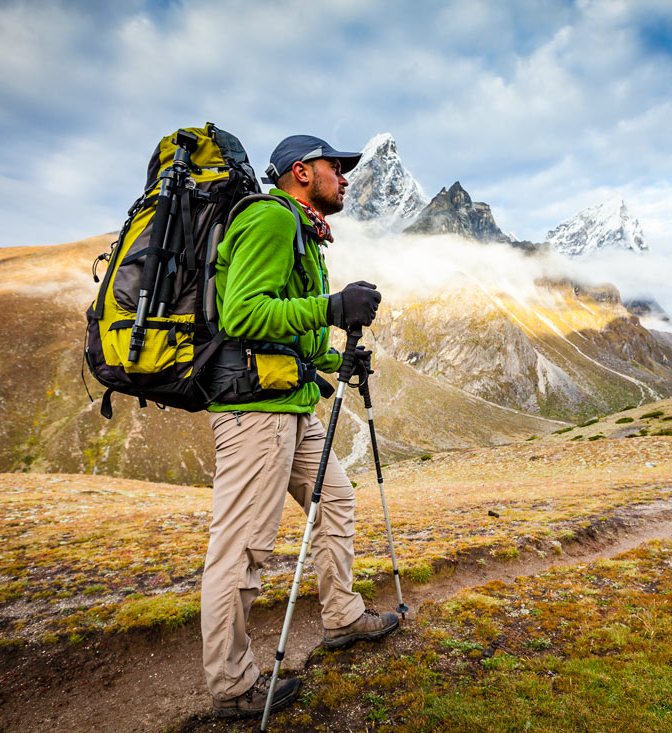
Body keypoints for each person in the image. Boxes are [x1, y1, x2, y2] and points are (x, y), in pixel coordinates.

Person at [201, 134, 399, 719]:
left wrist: (339, 360)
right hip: (255, 410)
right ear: (300, 171)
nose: (344, 176)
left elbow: (289, 335)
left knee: (336, 497)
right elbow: (242, 314)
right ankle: (233, 686)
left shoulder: (304, 233)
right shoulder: (268, 219)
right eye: (334, 166)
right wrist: (334, 308)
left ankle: (341, 617)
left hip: (290, 403)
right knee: (241, 549)